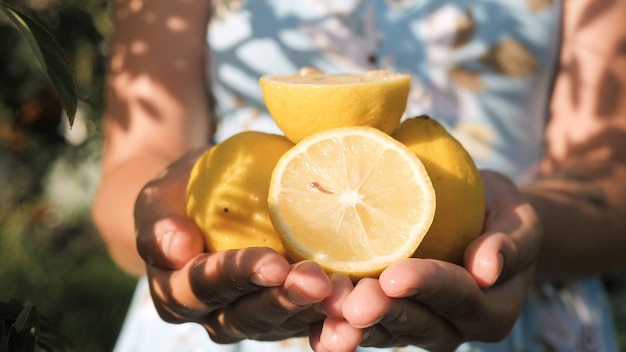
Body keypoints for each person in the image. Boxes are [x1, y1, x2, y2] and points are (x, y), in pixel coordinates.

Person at [92, 0, 626, 351]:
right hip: (232, 273)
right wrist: (168, 234)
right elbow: (136, 157)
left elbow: (611, 175)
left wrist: (516, 234)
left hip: (519, 313)